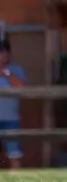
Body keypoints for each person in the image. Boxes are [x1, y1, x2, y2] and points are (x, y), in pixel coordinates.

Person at [0, 38, 26, 169]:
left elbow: (21, 88)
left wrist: (7, 74)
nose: (2, 56)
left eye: (4, 53)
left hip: (11, 119)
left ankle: (16, 181)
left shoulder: (16, 70)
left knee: (14, 154)